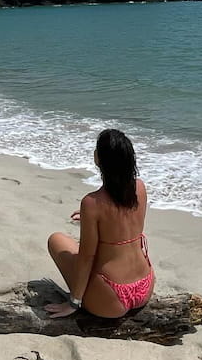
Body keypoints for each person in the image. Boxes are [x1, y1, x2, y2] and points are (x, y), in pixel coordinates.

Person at [46, 128, 154, 319]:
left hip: (111, 297)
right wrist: (93, 219)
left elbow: (87, 256)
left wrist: (74, 302)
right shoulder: (140, 187)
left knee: (57, 240)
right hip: (145, 286)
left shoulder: (92, 203)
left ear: (98, 158)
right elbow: (125, 222)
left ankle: (79, 299)